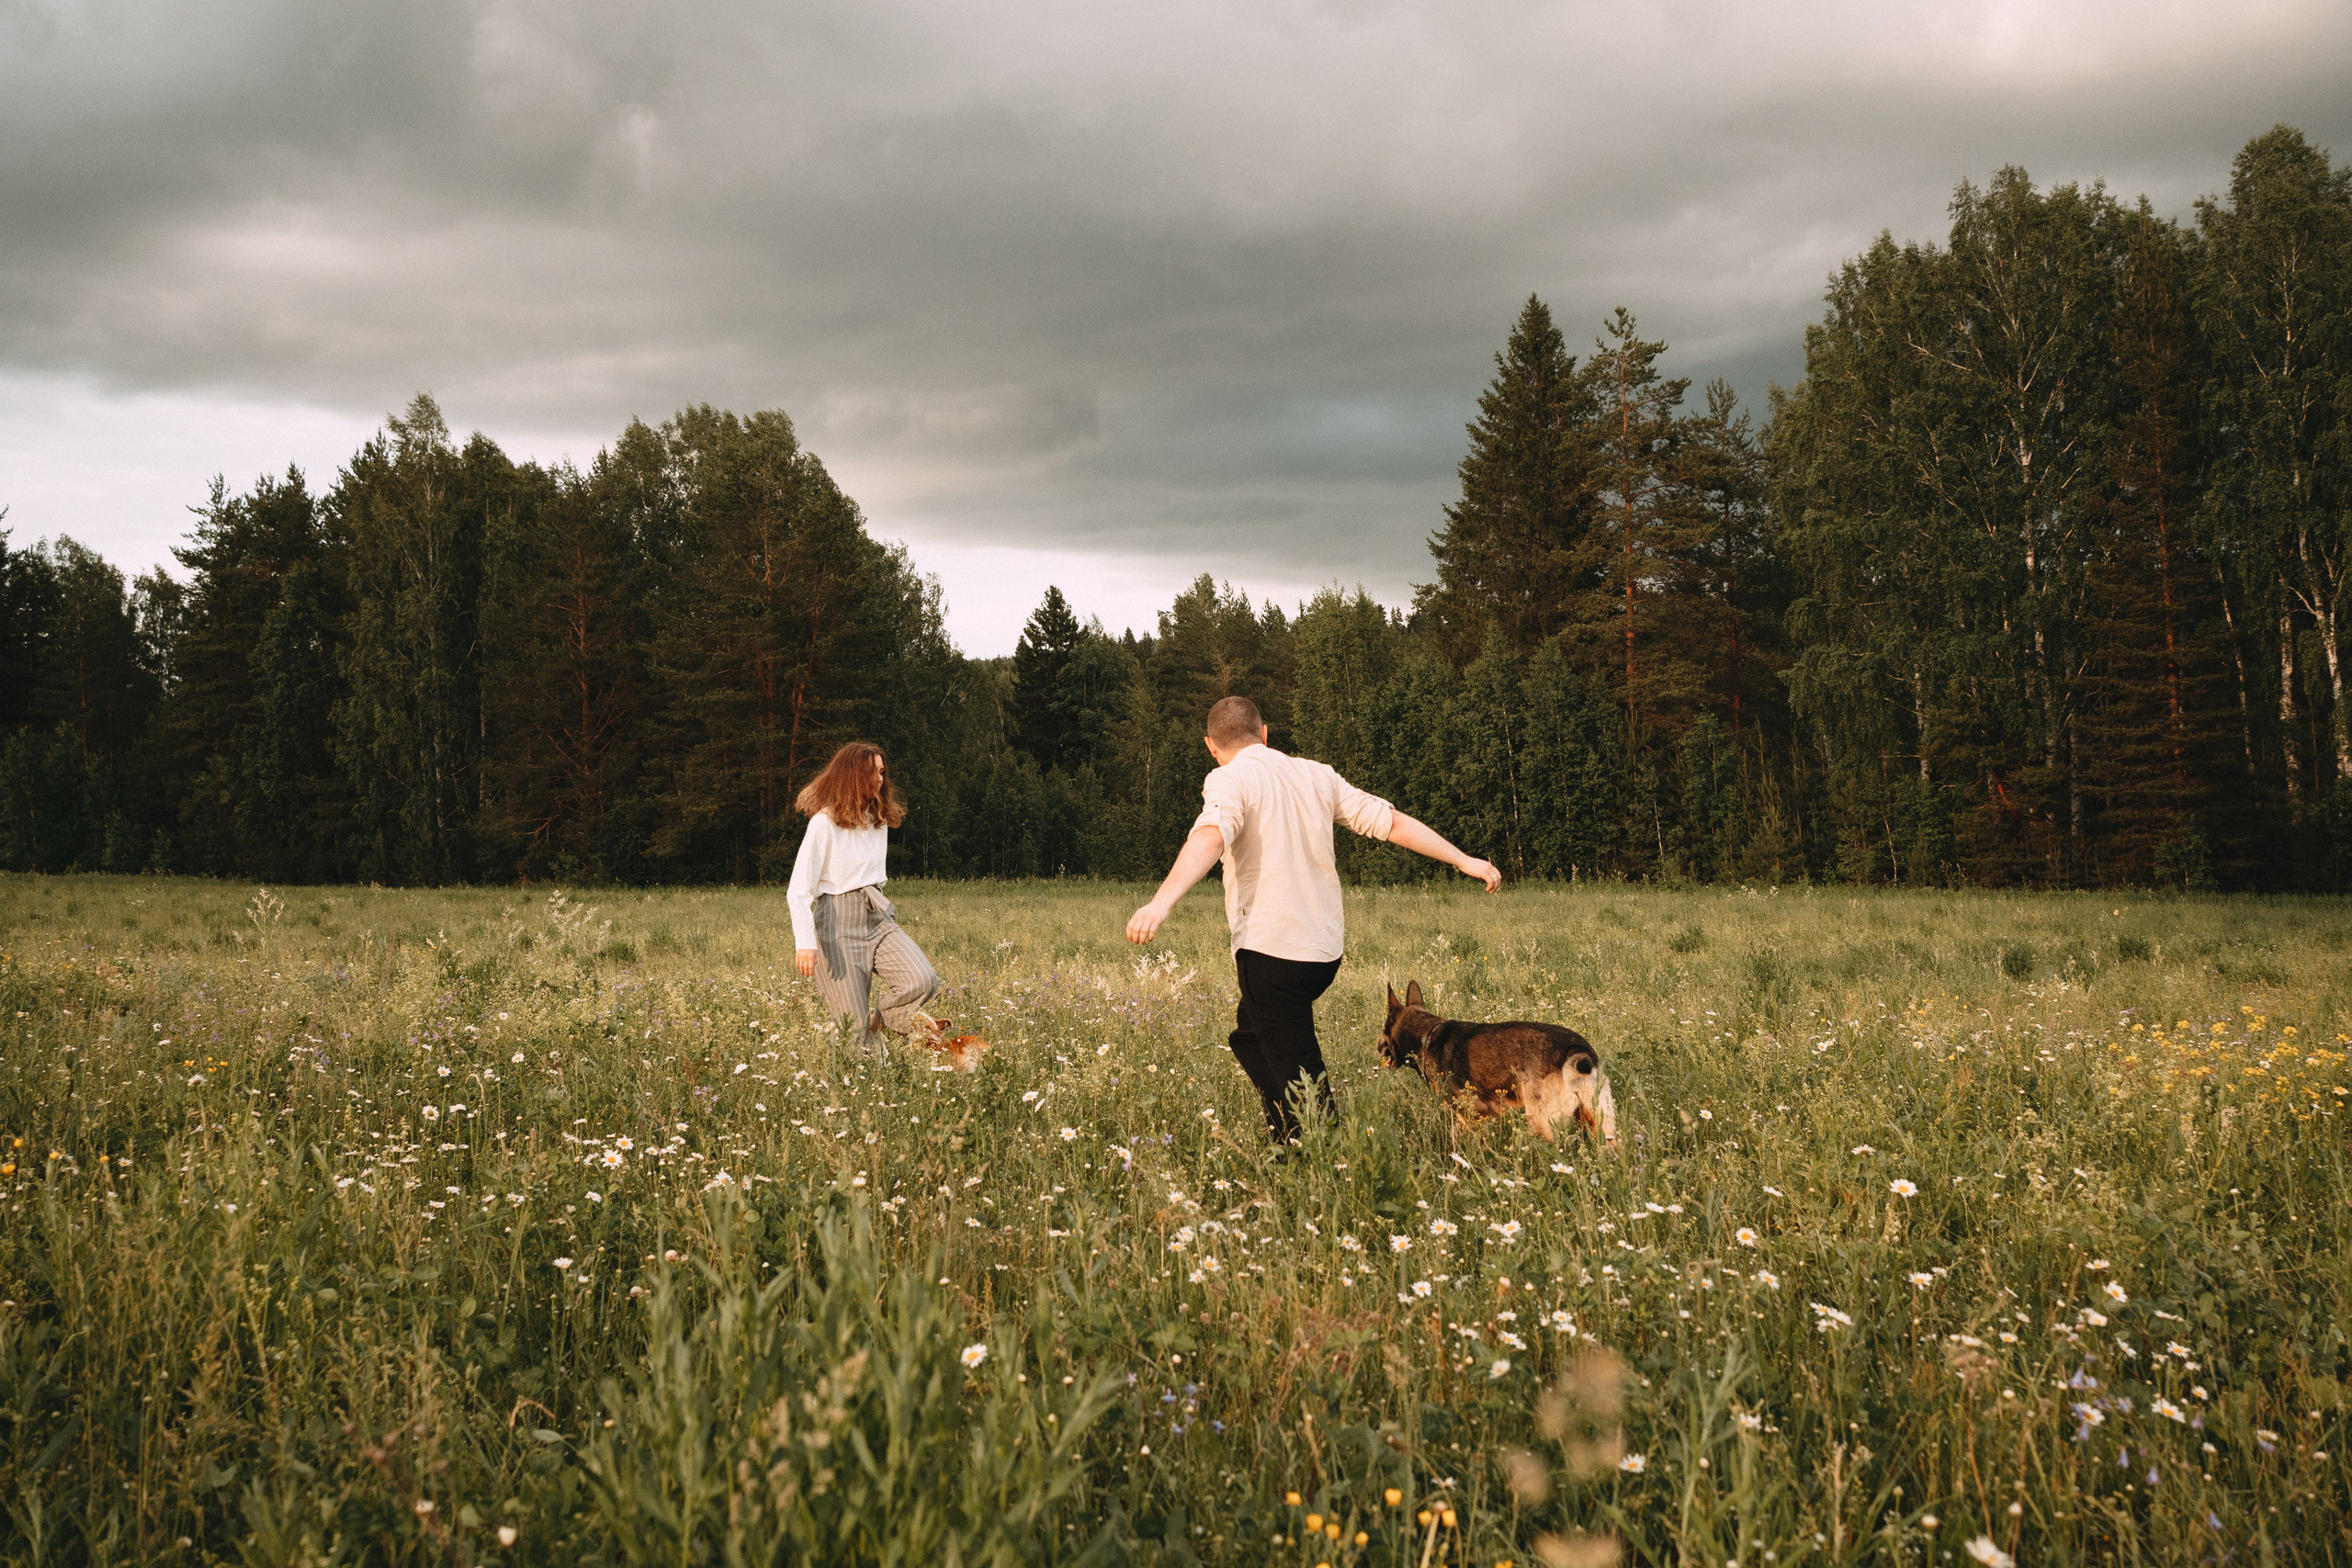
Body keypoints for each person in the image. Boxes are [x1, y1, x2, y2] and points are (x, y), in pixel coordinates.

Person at [1125, 695, 1501, 1141]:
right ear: (1265, 734)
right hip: (1323, 954)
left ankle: (1318, 1154)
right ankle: (1285, 1130)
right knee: (1250, 1036)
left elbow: (1210, 834)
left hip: (1271, 954)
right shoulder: (1317, 774)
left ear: (1211, 745)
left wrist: (1161, 902)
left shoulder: (1228, 778)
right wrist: (1463, 860)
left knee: (1301, 1076)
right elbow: (1391, 822)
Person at [788, 741, 941, 1053]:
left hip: (877, 914)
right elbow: (799, 888)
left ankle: (878, 1024)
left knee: (923, 979)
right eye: (873, 772)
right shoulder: (823, 823)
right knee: (853, 1036)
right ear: (852, 776)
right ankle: (860, 1089)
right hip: (836, 923)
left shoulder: (878, 819)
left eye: (883, 772)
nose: (880, 779)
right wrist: (805, 942)